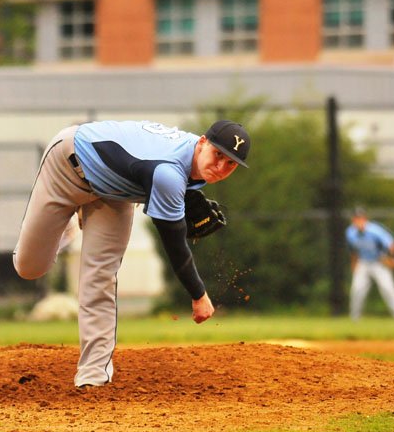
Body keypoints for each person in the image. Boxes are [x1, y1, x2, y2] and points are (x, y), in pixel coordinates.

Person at [13, 119, 250, 387]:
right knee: (30, 267)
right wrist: (198, 295)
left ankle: (93, 377)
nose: (221, 167)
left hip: (115, 193)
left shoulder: (189, 163)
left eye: (230, 163)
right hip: (68, 164)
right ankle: (65, 223)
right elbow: (173, 242)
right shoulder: (169, 173)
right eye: (218, 154)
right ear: (203, 142)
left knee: (100, 277)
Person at [345, 207, 394, 321]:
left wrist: (393, 258)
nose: (359, 221)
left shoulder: (375, 230)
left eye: (361, 218)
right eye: (356, 219)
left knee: (388, 287)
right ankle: (354, 318)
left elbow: (391, 245)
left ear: (365, 219)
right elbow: (353, 250)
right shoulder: (350, 232)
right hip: (363, 262)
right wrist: (354, 264)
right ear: (353, 220)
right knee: (357, 289)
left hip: (379, 262)